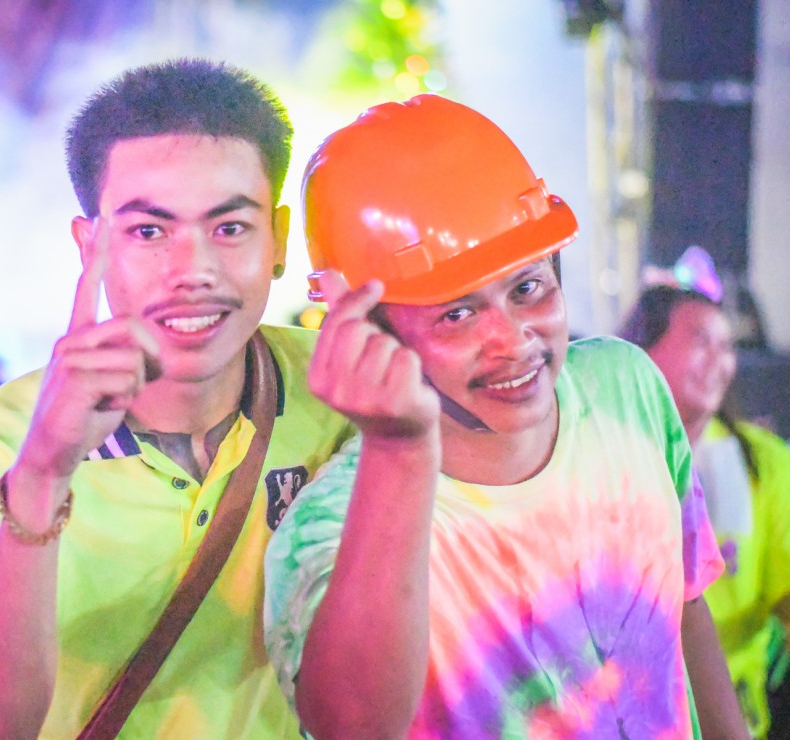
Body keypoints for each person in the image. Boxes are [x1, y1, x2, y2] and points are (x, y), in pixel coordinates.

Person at [263, 94, 746, 738]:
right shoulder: (336, 526)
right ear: (368, 329)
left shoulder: (625, 386)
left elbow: (685, 605)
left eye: (528, 287)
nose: (514, 340)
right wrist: (399, 450)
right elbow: (353, 726)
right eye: (456, 313)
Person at [0, 59, 354, 737]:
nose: (194, 272)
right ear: (89, 245)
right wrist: (43, 474)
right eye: (149, 232)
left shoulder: (348, 392)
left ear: (278, 237)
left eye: (229, 228)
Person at [620, 283, 790, 738]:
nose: (719, 360)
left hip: (729, 713)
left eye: (726, 347)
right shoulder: (600, 457)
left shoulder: (762, 461)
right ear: (639, 353)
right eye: (701, 341)